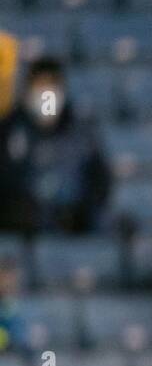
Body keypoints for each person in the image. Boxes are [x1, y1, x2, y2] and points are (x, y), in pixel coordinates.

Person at [0, 56, 111, 234]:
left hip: (72, 227)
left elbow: (100, 182)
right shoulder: (8, 130)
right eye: (40, 85)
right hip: (20, 230)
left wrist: (82, 212)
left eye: (52, 84)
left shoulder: (82, 132)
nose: (46, 93)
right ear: (27, 89)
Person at [0, 253, 28, 352]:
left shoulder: (27, 304)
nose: (8, 282)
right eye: (4, 277)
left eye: (12, 277)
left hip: (21, 350)